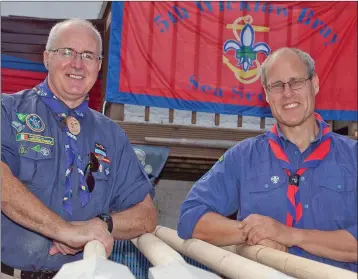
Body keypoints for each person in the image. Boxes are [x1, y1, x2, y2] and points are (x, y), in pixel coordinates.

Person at [1, 18, 157, 278]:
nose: (77, 63)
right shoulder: (7, 112)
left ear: (98, 65)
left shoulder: (113, 136)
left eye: (88, 55)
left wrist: (101, 224)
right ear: (46, 58)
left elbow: (146, 215)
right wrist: (64, 230)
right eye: (66, 52)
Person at [177, 47, 357, 271]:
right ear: (266, 94)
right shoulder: (243, 157)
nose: (287, 93)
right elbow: (190, 218)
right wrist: (254, 232)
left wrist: (289, 235)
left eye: (296, 81)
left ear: (315, 84)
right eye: (276, 86)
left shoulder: (353, 158)